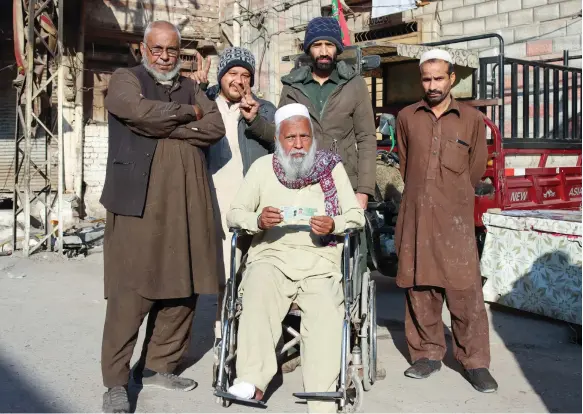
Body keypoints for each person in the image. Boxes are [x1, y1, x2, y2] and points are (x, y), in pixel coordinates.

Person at [99, 20, 226, 413]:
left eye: (172, 50)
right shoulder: (127, 78)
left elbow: (216, 126)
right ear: (143, 49)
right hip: (138, 204)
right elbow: (133, 110)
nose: (166, 57)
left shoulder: (192, 86)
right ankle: (116, 383)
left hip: (187, 205)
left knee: (183, 289)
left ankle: (157, 367)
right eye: (158, 49)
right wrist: (186, 115)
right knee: (130, 292)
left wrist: (166, 128)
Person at [244, 16, 377, 373]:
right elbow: (282, 130)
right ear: (308, 50)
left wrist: (363, 190)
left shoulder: (354, 85)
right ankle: (296, 339)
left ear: (337, 49)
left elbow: (366, 138)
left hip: (341, 180)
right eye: (316, 46)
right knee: (295, 248)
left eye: (328, 45)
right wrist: (256, 121)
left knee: (345, 261)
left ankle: (344, 343)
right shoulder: (293, 84)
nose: (323, 52)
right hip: (301, 181)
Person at [225, 103, 365, 413]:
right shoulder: (262, 168)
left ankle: (321, 396)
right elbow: (234, 215)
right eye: (291, 137)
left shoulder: (331, 168)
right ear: (278, 138)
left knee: (327, 310)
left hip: (319, 261)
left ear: (313, 138)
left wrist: (335, 224)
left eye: (304, 136)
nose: (299, 144)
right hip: (271, 259)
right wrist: (257, 220)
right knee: (258, 291)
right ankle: (252, 380)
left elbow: (356, 216)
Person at [395, 49, 497, 393]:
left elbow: (476, 168)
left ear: (452, 78)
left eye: (439, 78)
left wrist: (450, 195)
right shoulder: (407, 116)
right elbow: (405, 161)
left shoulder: (471, 118)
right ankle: (427, 355)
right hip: (418, 214)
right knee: (421, 286)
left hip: (455, 219)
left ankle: (475, 363)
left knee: (465, 290)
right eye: (427, 78)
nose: (433, 85)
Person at [189, 47, 276, 345]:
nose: (238, 81)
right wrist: (197, 89)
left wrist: (254, 121)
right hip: (210, 194)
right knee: (219, 270)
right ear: (221, 76)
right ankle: (223, 334)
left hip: (249, 200)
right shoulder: (205, 101)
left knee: (245, 270)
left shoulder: (263, 108)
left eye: (245, 75)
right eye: (232, 74)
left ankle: (244, 333)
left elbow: (279, 141)